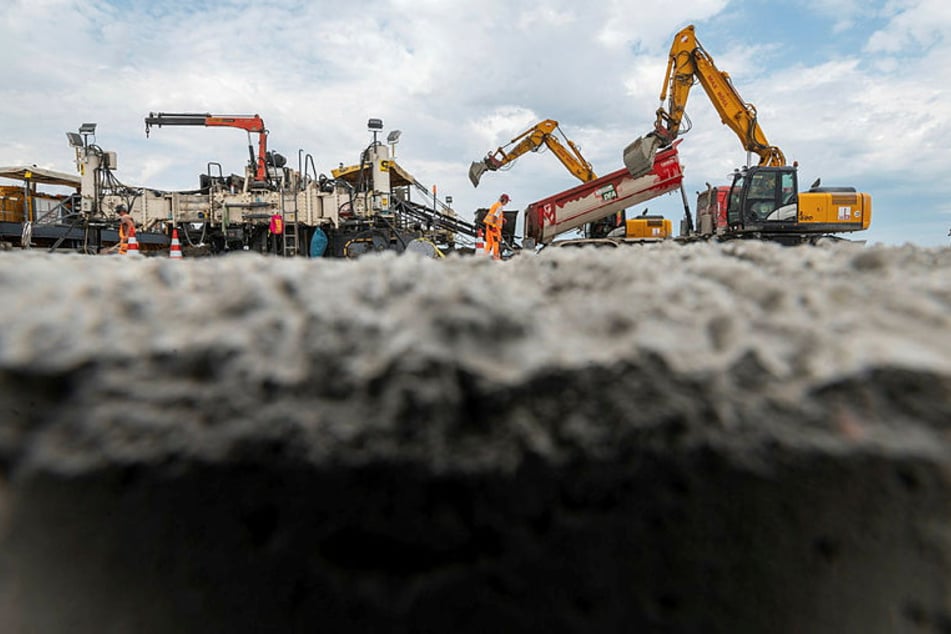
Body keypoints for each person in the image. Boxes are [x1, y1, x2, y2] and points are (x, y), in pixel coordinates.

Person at [483, 193, 509, 260]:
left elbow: (494, 215)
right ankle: (496, 257)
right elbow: (495, 217)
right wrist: (494, 226)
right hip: (494, 228)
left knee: (489, 242)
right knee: (496, 242)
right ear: (504, 200)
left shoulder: (495, 205)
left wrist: (502, 219)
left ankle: (485, 257)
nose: (507, 203)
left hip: (489, 226)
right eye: (507, 201)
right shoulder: (500, 206)